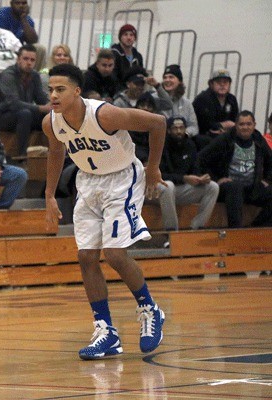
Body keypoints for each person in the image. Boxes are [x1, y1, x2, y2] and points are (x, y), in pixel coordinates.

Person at [43, 64, 167, 360]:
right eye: (50, 90)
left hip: (122, 179)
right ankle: (106, 331)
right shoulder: (51, 122)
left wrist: (152, 168)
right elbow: (57, 150)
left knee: (113, 254)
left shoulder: (104, 114)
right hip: (88, 181)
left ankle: (150, 309)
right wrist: (48, 193)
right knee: (86, 256)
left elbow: (159, 123)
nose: (54, 95)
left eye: (60, 90)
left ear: (76, 91)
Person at [198, 110, 272, 228]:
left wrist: (267, 180)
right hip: (229, 188)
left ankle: (256, 228)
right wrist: (217, 179)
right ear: (236, 125)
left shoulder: (258, 140)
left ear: (254, 125)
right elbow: (201, 159)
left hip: (252, 187)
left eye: (248, 124)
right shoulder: (225, 139)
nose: (245, 127)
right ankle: (235, 231)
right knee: (235, 187)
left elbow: (270, 162)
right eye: (241, 124)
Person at [157, 116, 219, 230]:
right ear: (169, 130)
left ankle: (196, 228)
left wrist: (200, 178)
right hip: (160, 191)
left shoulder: (190, 145)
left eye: (181, 128)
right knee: (168, 186)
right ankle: (171, 233)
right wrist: (184, 178)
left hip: (181, 189)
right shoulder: (161, 144)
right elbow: (160, 175)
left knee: (213, 187)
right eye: (175, 128)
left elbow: (195, 170)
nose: (179, 131)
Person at [0, 44, 50, 156]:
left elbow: (40, 98)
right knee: (25, 114)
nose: (29, 63)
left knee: (50, 117)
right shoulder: (8, 75)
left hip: (24, 114)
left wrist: (52, 106)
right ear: (18, 59)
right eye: (26, 59)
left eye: (32, 60)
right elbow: (13, 104)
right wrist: (41, 108)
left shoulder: (35, 76)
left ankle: (52, 154)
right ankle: (22, 156)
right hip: (2, 116)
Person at [192, 68, 239, 150]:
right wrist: (224, 125)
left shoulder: (232, 99)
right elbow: (204, 124)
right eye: (218, 82)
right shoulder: (202, 99)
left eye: (225, 82)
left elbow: (235, 121)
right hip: (204, 137)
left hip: (226, 135)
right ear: (211, 84)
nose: (222, 85)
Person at [0, 0, 45, 70]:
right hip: (1, 46)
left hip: (19, 49)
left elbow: (33, 41)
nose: (21, 5)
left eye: (24, 3)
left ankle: (33, 76)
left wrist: (23, 18)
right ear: (11, 4)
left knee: (40, 48)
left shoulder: (28, 20)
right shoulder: (0, 14)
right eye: (17, 3)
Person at [160, 64, 199, 138]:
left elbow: (194, 127)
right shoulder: (156, 99)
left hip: (183, 140)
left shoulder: (186, 103)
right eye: (165, 77)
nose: (167, 80)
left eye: (171, 77)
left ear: (179, 81)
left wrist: (184, 133)